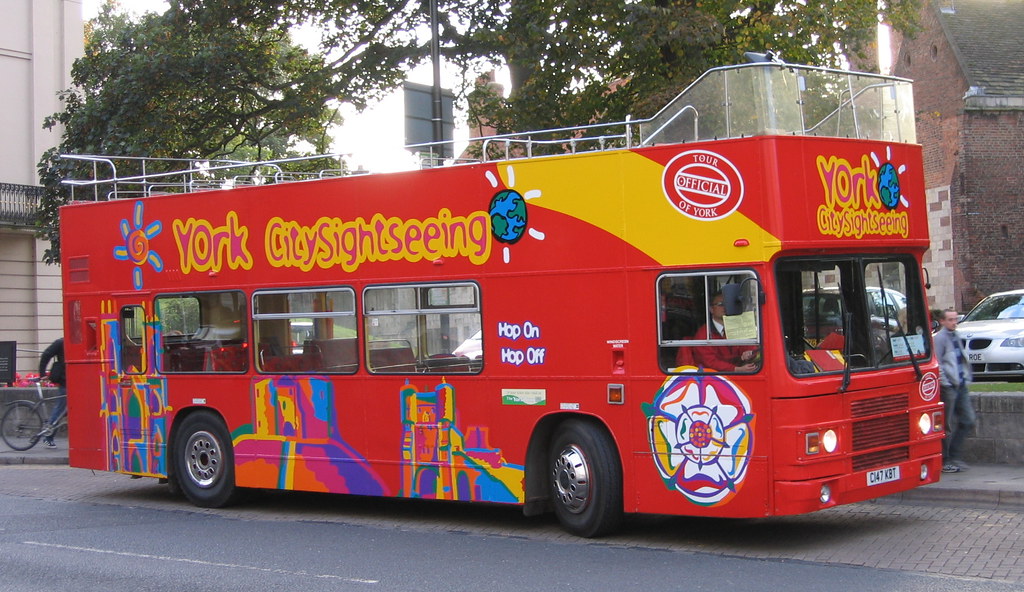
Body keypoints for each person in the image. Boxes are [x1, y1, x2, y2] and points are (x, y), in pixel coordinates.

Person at [933, 309, 974, 473]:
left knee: (968, 420)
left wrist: (965, 377)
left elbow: (960, 360)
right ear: (942, 321)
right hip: (949, 387)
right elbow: (938, 363)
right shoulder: (940, 338)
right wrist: (946, 383)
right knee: (947, 424)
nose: (954, 322)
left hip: (961, 385)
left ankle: (954, 456)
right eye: (950, 320)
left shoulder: (956, 336)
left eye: (955, 319)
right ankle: (946, 460)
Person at [678, 292, 758, 372]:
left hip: (740, 373)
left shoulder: (738, 327)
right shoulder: (704, 334)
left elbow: (751, 347)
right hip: (713, 377)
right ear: (711, 309)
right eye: (720, 304)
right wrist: (736, 369)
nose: (725, 307)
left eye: (727, 304)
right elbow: (710, 362)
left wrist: (749, 353)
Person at [38, 337, 66, 448]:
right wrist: (42, 374)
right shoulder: (61, 342)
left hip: (73, 380)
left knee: (63, 409)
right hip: (65, 381)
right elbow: (46, 355)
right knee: (60, 409)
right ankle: (48, 437)